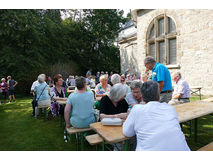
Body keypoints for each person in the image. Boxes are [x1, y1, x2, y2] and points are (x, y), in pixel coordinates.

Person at [123, 81, 190, 151]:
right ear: (158, 96)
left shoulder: (137, 109)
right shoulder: (170, 108)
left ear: (142, 96)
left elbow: (127, 132)